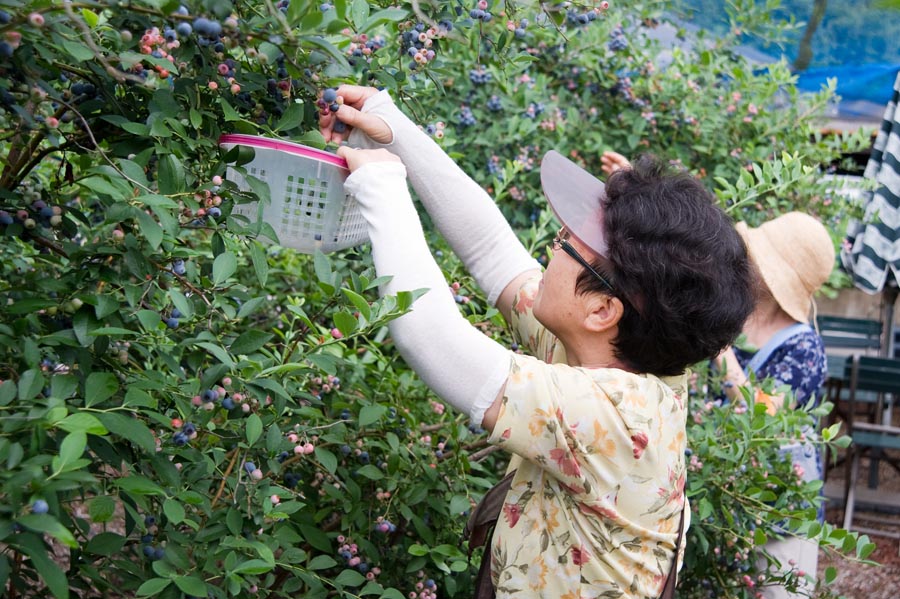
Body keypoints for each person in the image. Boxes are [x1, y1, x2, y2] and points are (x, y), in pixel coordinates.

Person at [319, 86, 755, 599]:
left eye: (566, 244)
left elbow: (431, 336)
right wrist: (393, 130)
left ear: (601, 310)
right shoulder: (606, 354)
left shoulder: (620, 415)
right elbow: (491, 251)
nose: (552, 249)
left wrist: (382, 188)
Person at [714, 212, 834, 599]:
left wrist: (721, 351)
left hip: (781, 517)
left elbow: (760, 414)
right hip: (722, 507)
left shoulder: (805, 348)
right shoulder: (734, 317)